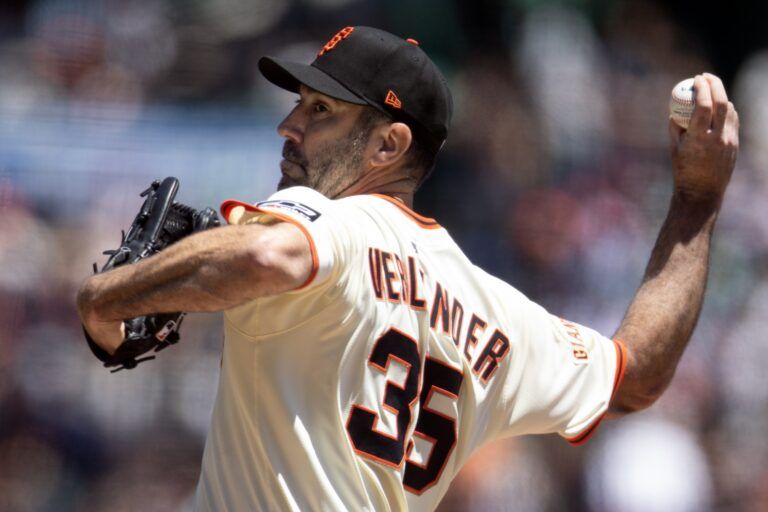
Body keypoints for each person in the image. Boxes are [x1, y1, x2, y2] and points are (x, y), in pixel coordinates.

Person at [76, 26, 739, 511]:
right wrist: (697, 201)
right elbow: (636, 377)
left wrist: (103, 298)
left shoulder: (330, 217)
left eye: (321, 110)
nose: (288, 125)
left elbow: (261, 254)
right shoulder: (496, 310)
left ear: (390, 144)